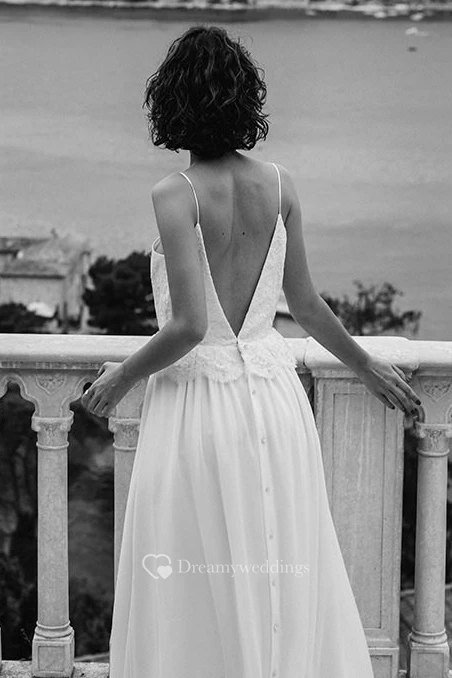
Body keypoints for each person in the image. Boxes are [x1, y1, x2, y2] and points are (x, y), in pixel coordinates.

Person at [81, 24, 421, 678]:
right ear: (245, 99)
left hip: (198, 406)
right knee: (278, 567)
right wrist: (367, 366)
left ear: (171, 101)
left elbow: (189, 326)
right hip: (274, 404)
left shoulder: (175, 194)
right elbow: (307, 304)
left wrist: (120, 377)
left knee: (189, 573)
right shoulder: (281, 184)